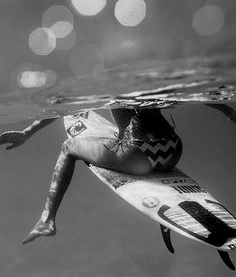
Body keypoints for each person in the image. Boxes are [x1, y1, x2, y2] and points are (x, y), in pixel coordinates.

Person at [0, 103, 234, 245]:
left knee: (68, 147)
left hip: (138, 155)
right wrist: (230, 113)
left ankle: (46, 221)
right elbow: (201, 97)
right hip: (173, 150)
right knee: (130, 135)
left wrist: (28, 132)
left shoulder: (107, 80)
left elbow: (65, 108)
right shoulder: (152, 79)